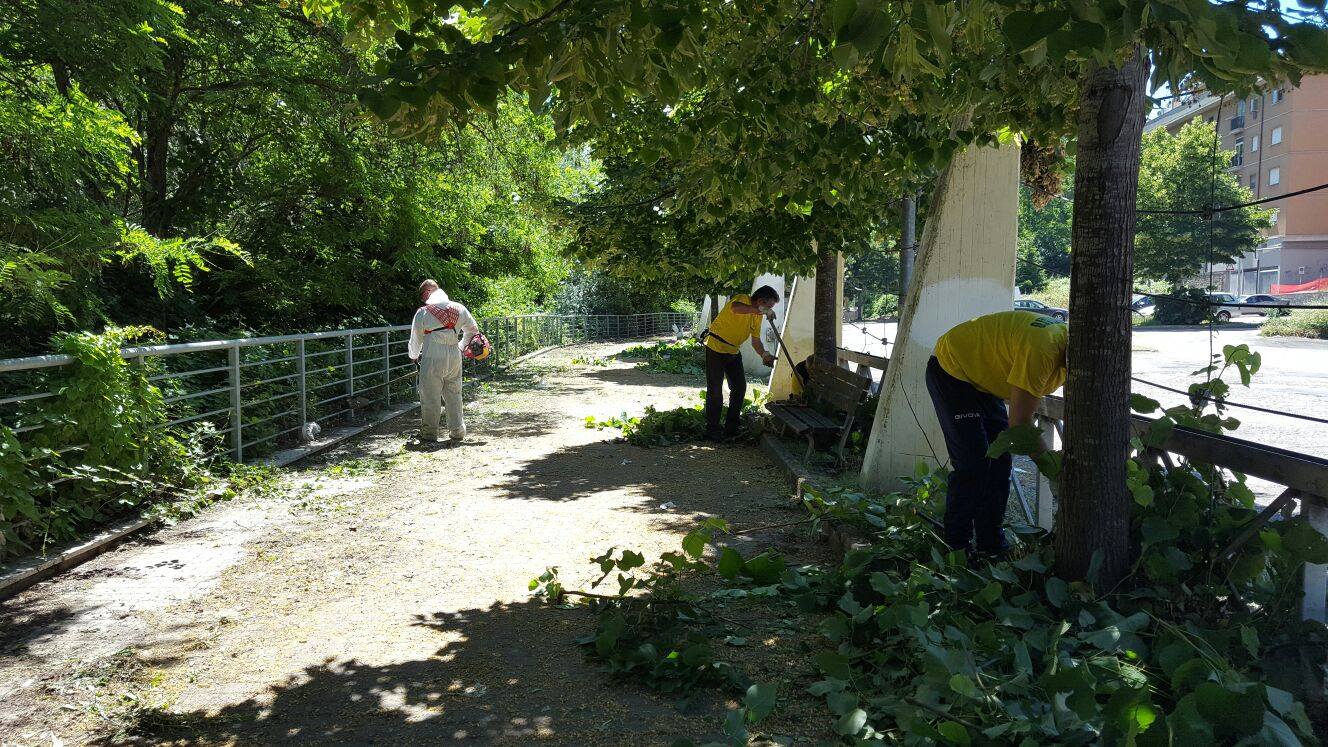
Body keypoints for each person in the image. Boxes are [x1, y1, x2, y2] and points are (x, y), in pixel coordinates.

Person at [926, 310, 1068, 556]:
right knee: (974, 465)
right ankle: (956, 549)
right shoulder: (1043, 351)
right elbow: (1020, 426)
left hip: (982, 381)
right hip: (951, 368)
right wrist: (1054, 468)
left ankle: (991, 545)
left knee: (1000, 462)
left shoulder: (1066, 348)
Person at [701, 286, 780, 441]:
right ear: (760, 301)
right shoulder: (743, 299)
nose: (769, 310)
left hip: (733, 351)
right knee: (715, 390)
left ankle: (732, 427)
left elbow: (755, 341)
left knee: (739, 388)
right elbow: (735, 308)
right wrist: (761, 310)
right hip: (716, 347)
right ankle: (712, 429)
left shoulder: (757, 315)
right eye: (769, 306)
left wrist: (765, 355)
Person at [408, 279, 481, 444]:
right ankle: (457, 431)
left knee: (430, 396)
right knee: (454, 394)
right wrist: (461, 347)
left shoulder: (423, 312)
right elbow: (473, 330)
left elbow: (415, 339)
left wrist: (413, 355)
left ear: (427, 292)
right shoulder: (459, 308)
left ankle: (429, 433)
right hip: (454, 355)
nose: (423, 300)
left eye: (423, 296)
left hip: (432, 355)